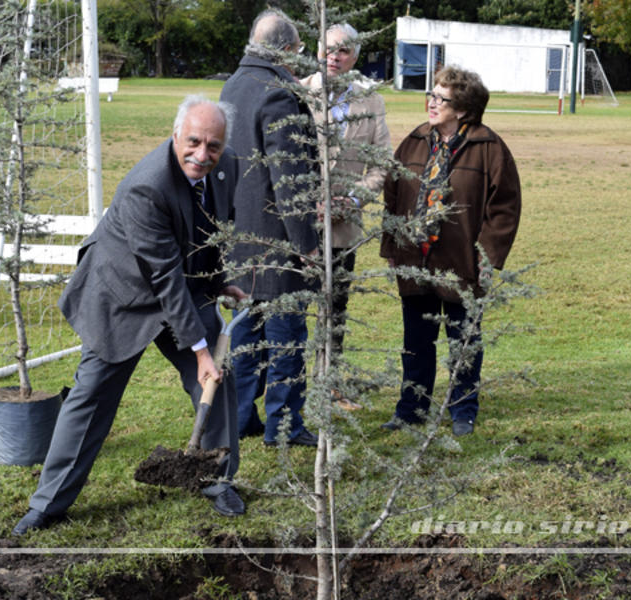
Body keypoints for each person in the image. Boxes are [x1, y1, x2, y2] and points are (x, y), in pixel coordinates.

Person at [12, 95, 248, 536]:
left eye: (213, 146)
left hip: (183, 286)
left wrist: (218, 283)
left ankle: (217, 479)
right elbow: (162, 275)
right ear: (175, 135)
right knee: (92, 395)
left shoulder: (226, 166)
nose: (203, 154)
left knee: (220, 380)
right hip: (123, 293)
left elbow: (210, 233)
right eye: (193, 142)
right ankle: (47, 504)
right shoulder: (148, 184)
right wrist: (199, 351)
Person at [380, 66, 521, 436]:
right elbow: (392, 198)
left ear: (463, 109)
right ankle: (411, 409)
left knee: (464, 343)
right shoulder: (413, 141)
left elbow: (504, 209)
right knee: (416, 342)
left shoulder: (489, 148)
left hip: (462, 264)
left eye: (441, 98)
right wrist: (391, 246)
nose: (431, 102)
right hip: (415, 260)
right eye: (431, 94)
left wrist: (486, 258)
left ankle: (462, 411)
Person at [219, 9, 320, 447]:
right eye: (296, 52)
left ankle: (241, 417)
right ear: (285, 49)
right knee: (286, 339)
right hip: (276, 243)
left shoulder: (233, 85)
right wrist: (307, 245)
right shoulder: (278, 93)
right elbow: (290, 180)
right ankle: (284, 425)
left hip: (238, 238)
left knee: (245, 336)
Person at [300, 23, 392, 410]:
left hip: (343, 228)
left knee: (335, 309)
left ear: (355, 57)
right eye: (329, 49)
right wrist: (308, 202)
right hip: (298, 225)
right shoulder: (298, 93)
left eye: (344, 51)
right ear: (318, 50)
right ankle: (283, 394)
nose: (335, 57)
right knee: (287, 312)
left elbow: (381, 163)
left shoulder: (371, 101)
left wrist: (352, 201)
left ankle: (329, 387)